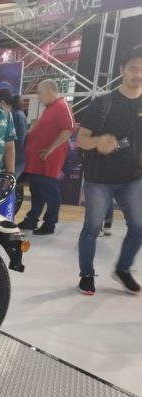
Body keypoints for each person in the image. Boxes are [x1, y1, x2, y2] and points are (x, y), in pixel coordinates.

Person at [76, 44, 142, 296]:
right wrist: (98, 142)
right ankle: (86, 274)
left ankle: (123, 269)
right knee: (92, 228)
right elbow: (81, 139)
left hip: (133, 178)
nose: (138, 74)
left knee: (139, 227)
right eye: (133, 68)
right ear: (122, 70)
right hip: (99, 179)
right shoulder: (103, 103)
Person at [17, 80, 75, 236]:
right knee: (37, 191)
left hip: (48, 161)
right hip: (38, 160)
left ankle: (50, 223)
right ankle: (31, 219)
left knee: (50, 192)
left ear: (49, 90)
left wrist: (51, 148)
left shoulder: (62, 106)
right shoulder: (51, 108)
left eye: (40, 93)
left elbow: (69, 128)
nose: (39, 97)